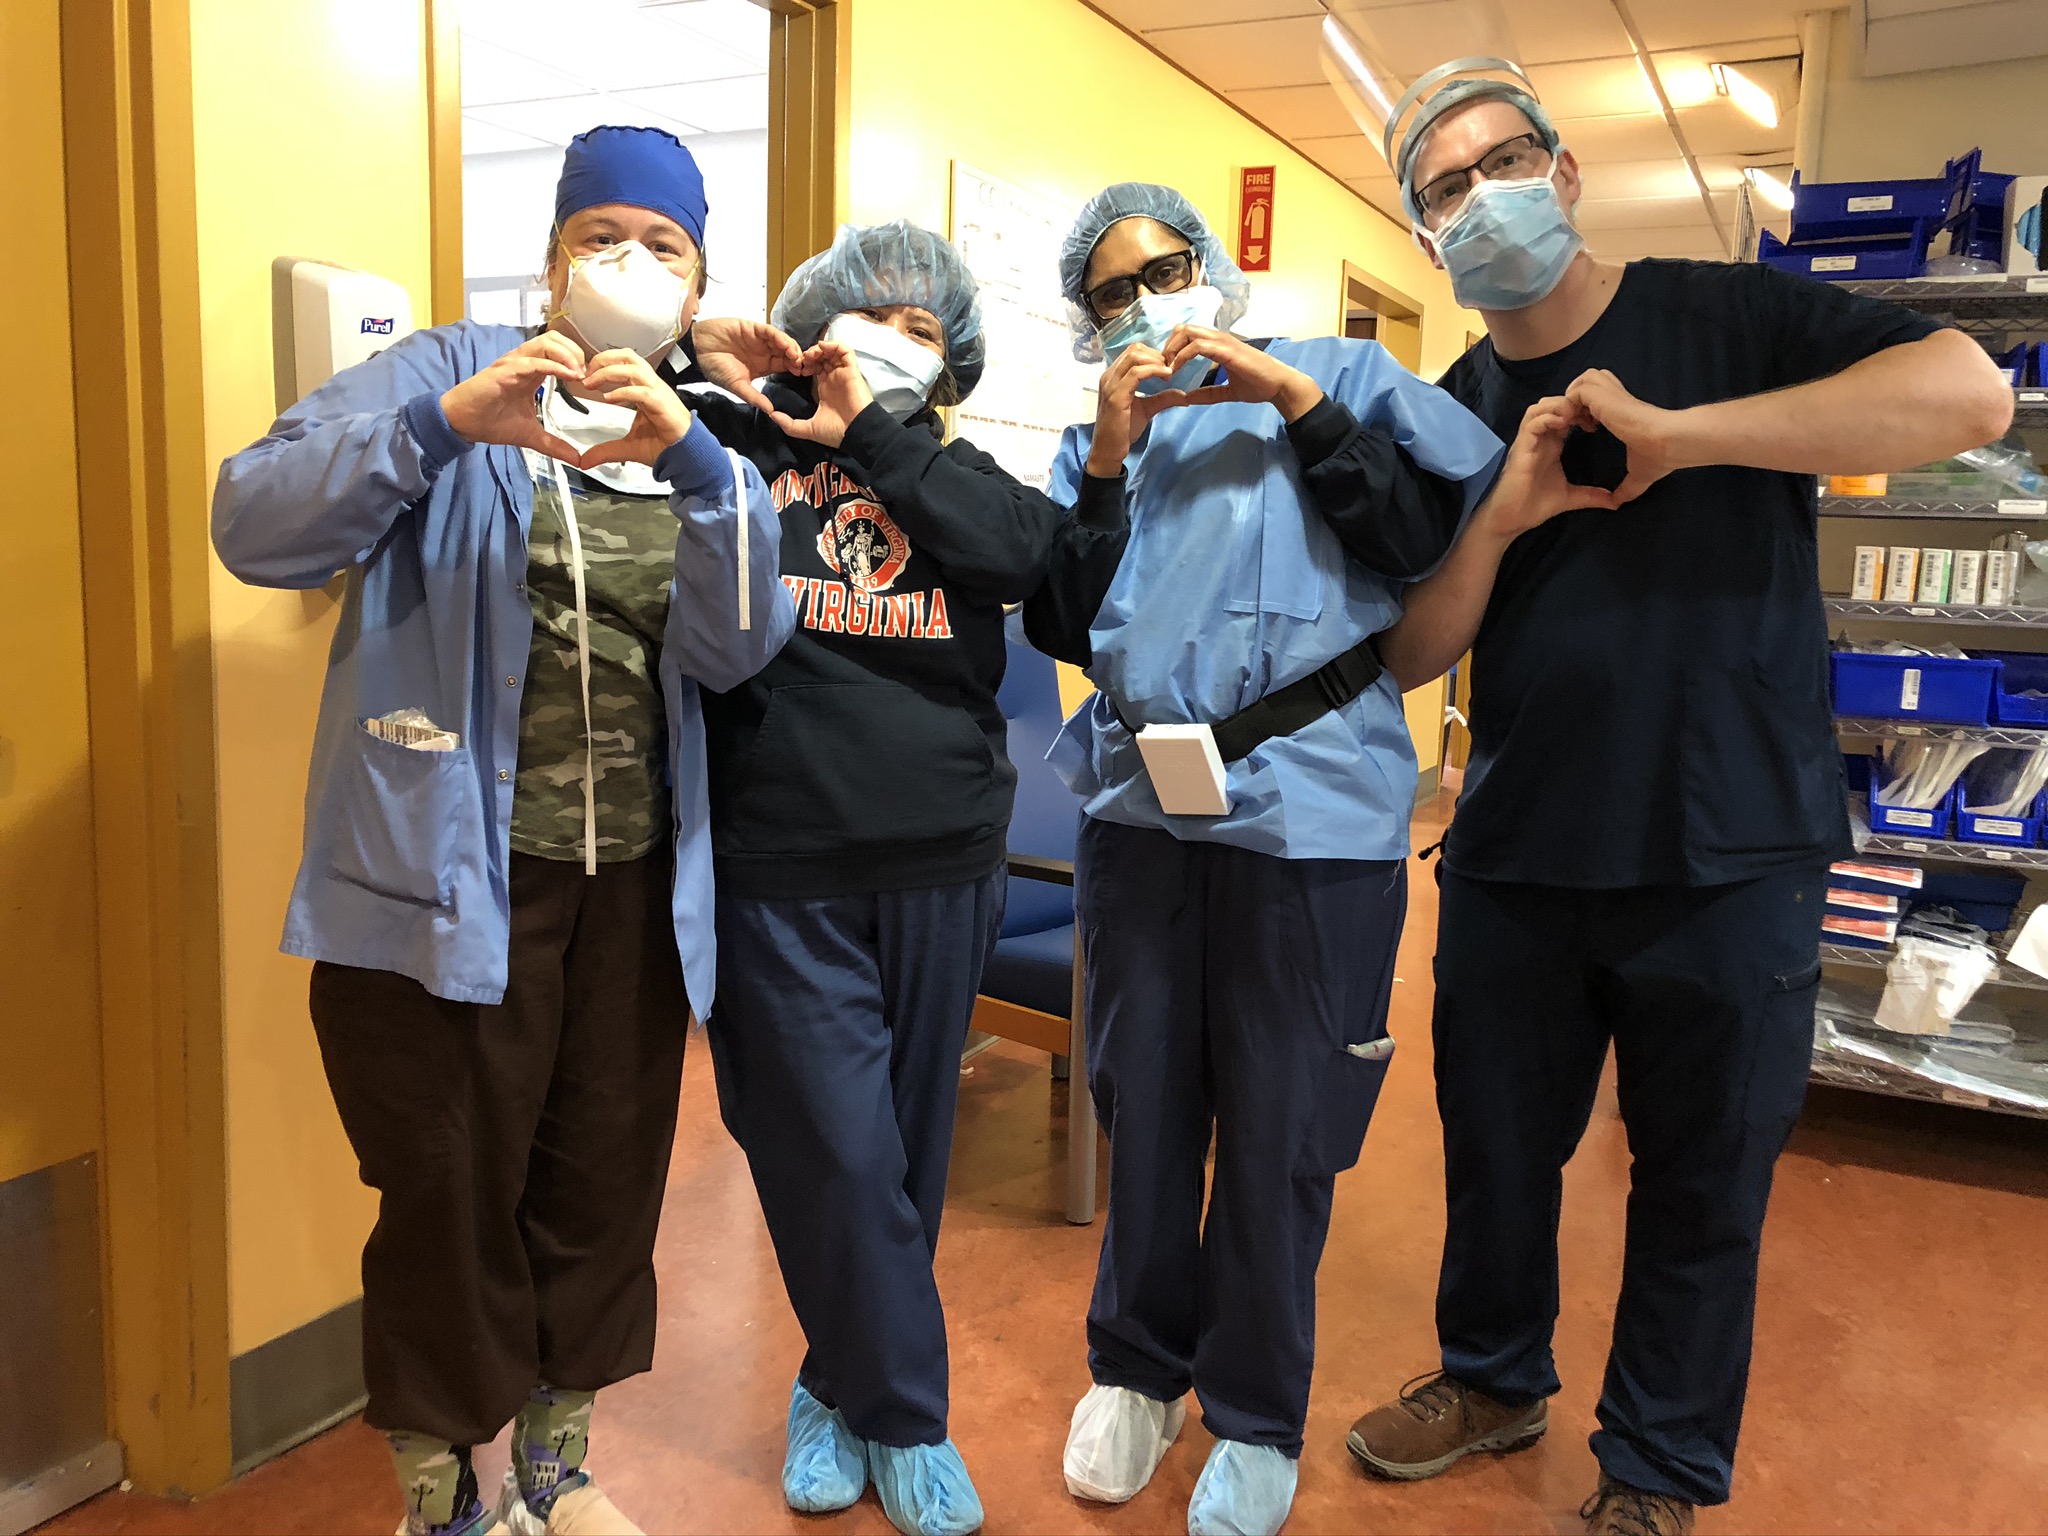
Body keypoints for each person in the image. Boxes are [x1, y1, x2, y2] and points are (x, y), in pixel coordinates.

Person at [1343, 66, 2016, 1536]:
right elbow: (1412, 648)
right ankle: (1493, 1375)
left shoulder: (1727, 314)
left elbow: (1969, 390)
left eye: (1501, 163)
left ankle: (1654, 1466)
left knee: (1703, 1183)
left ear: (1566, 171)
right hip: (1521, 847)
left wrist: (1683, 436)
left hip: (1731, 847)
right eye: (1443, 189)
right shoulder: (1453, 409)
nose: (1480, 201)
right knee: (1498, 1157)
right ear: (1424, 233)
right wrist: (1504, 519)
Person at [211, 125, 799, 1536]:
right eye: (602, 235)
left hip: (633, 895)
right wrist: (440, 430)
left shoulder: (694, 432)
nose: (629, 263)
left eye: (663, 245)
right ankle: (440, 1492)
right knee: (444, 1197)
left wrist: (710, 479)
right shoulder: (439, 373)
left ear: (700, 273)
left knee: (598, 1190)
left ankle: (556, 1464)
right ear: (549, 260)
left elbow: (735, 652)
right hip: (446, 886)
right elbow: (254, 520)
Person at [1022, 182, 1508, 1536]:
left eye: (1165, 269)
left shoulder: (1342, 373)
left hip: (1317, 813)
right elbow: (1065, 618)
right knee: (1146, 1100)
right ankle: (1137, 1371)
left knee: (1285, 1122)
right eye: (1115, 289)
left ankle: (1252, 1410)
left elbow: (1420, 540)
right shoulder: (1087, 444)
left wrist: (1292, 399)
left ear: (1217, 265)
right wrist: (1112, 456)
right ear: (1090, 319)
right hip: (1138, 818)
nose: (1148, 301)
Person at [679, 221, 1064, 1536]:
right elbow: (648, 469)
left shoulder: (957, 475)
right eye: (871, 310)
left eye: (922, 322)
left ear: (947, 358)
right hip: (782, 859)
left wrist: (883, 436)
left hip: (945, 859)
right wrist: (708, 367)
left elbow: (1036, 564)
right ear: (816, 317)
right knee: (832, 1153)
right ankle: (907, 1413)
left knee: (902, 1159)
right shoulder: (738, 445)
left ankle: (832, 1382)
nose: (896, 330)